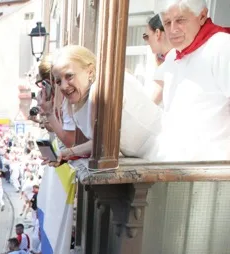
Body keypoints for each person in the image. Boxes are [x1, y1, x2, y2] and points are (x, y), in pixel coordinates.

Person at [50, 45, 161, 161]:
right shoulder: (80, 101)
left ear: (90, 71)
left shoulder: (102, 88)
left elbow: (103, 144)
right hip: (149, 159)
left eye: (69, 76)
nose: (63, 86)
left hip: (165, 152)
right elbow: (99, 142)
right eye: (58, 81)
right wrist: (67, 153)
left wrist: (68, 152)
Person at [154, 0, 230, 161]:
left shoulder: (222, 46)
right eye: (167, 23)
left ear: (202, 16)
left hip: (214, 168)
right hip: (174, 163)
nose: (173, 29)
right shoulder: (172, 56)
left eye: (180, 20)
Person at [145, 14, 173, 105]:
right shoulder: (180, 59)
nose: (147, 41)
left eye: (147, 36)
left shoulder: (167, 67)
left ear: (157, 34)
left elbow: (150, 105)